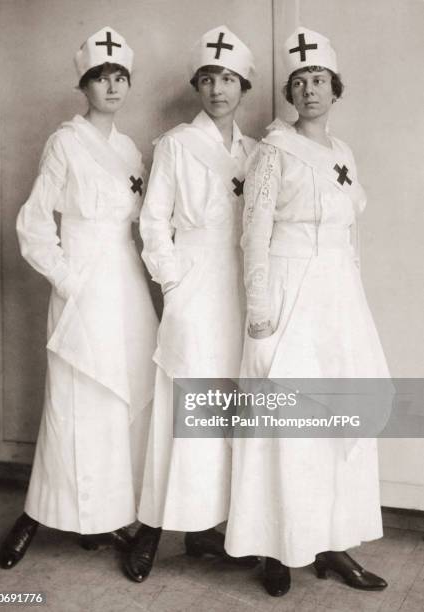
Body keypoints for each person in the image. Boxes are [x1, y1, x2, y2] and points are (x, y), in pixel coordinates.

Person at [224, 27, 389, 596]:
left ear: (334, 89)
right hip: (290, 291)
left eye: (319, 80)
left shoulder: (342, 153)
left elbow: (351, 234)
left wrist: (355, 299)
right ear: (290, 96)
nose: (310, 90)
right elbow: (254, 234)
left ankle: (333, 542)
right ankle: (277, 546)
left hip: (338, 297)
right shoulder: (274, 151)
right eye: (300, 83)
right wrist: (260, 310)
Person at [0, 26, 158, 569]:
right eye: (99, 78)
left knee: (120, 402)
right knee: (73, 403)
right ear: (84, 86)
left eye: (119, 78)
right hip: (83, 282)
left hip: (126, 285)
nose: (111, 87)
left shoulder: (131, 149)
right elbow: (34, 224)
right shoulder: (65, 141)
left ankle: (109, 514)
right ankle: (38, 513)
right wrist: (69, 282)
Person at [123, 26, 257, 582]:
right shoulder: (176, 144)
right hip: (196, 285)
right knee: (183, 404)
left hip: (243, 287)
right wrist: (174, 285)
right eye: (208, 79)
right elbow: (153, 221)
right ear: (197, 86)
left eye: (227, 78)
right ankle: (153, 528)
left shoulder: (255, 153)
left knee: (228, 409)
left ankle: (210, 528)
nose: (217, 89)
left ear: (242, 86)